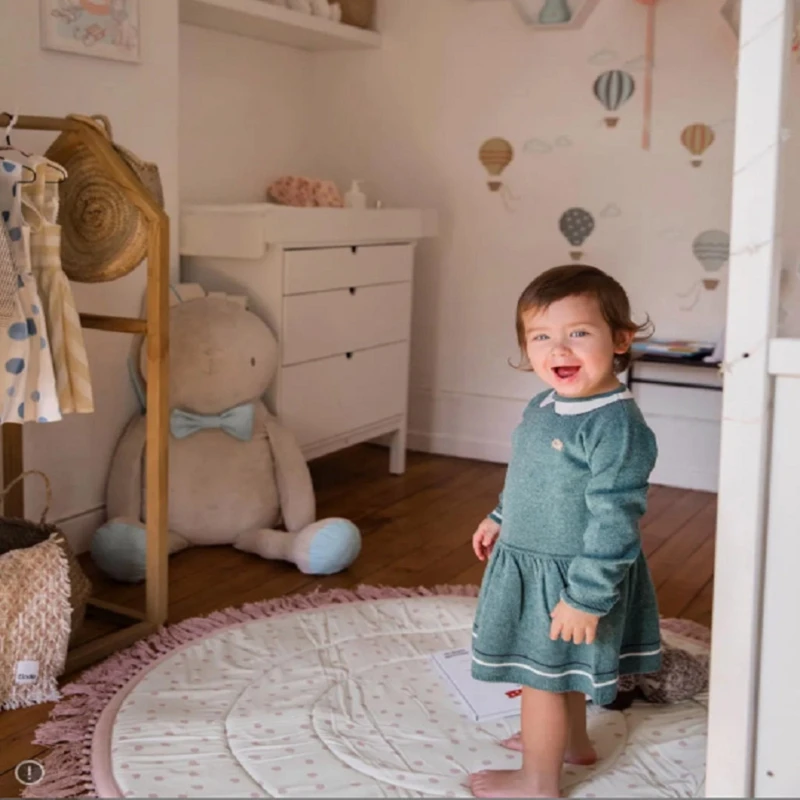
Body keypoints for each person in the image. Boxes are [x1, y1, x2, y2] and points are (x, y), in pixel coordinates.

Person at [468, 264, 662, 798]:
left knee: (540, 680)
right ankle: (572, 742)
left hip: (574, 576)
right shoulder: (544, 405)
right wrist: (501, 516)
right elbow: (529, 476)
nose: (559, 350)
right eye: (541, 337)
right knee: (562, 670)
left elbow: (615, 519)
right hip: (532, 557)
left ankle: (537, 779)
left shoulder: (616, 426)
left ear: (620, 339)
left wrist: (586, 596)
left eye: (578, 333)